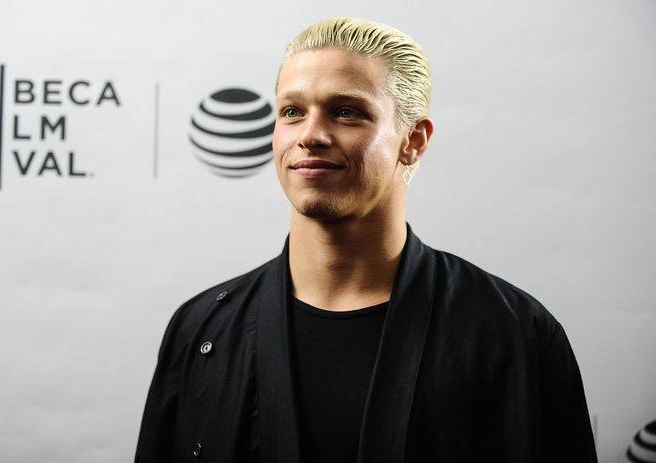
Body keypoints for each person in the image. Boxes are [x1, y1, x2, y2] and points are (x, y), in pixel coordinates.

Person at [135, 17, 597, 463]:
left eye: (346, 112)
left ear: (413, 140)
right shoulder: (202, 329)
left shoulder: (514, 333)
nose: (311, 135)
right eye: (292, 112)